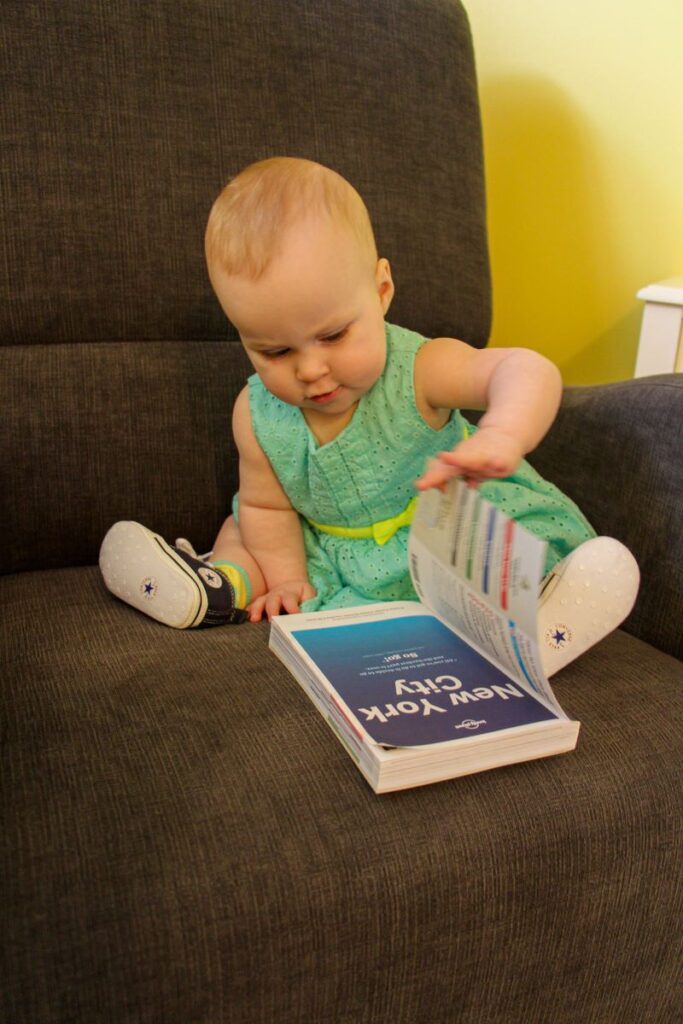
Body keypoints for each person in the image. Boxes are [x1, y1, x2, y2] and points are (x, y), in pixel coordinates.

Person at [99, 157, 639, 674]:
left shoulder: (422, 370)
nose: (310, 370)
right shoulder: (256, 413)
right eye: (274, 352)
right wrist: (287, 582)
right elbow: (268, 507)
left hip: (440, 534)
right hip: (330, 548)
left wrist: (502, 433)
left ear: (381, 291)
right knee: (243, 526)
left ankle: (541, 619)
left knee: (497, 556)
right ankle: (218, 585)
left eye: (333, 335)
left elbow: (526, 370)